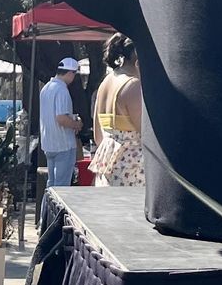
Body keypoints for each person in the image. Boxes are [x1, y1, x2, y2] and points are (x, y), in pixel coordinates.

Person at [88, 34, 146, 186]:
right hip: (131, 171)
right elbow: (148, 136)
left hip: (107, 165)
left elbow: (98, 136)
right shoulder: (133, 85)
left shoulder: (106, 81)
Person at [39, 58, 84, 187]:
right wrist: (77, 125)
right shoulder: (62, 90)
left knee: (51, 185)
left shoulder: (46, 88)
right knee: (62, 187)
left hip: (49, 144)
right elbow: (61, 118)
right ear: (70, 73)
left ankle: (46, 208)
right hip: (63, 144)